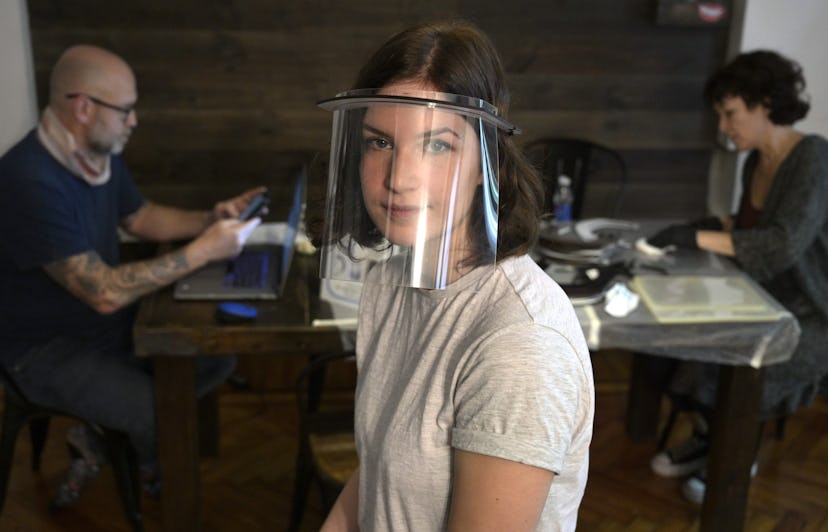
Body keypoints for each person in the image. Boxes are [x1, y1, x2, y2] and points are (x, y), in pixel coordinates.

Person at [316, 21, 594, 531]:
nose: (399, 176)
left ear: (487, 159)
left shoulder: (520, 344)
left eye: (437, 145)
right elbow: (378, 473)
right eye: (380, 142)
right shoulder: (391, 281)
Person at [0, 45, 264, 507]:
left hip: (95, 324)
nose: (133, 120)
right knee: (160, 411)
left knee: (215, 357)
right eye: (125, 109)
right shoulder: (27, 179)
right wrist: (204, 252)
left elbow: (140, 218)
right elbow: (102, 292)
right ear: (84, 107)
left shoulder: (97, 152)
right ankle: (159, 467)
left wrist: (208, 219)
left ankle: (99, 441)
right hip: (41, 348)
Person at [646, 50, 828, 503]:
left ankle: (732, 453)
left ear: (765, 101)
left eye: (730, 114)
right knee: (674, 340)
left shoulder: (813, 159)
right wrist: (706, 227)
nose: (724, 128)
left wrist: (698, 240)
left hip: (809, 313)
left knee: (725, 360)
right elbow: (750, 227)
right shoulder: (754, 162)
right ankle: (713, 437)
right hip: (759, 294)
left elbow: (781, 244)